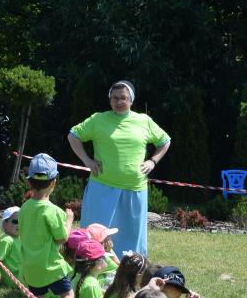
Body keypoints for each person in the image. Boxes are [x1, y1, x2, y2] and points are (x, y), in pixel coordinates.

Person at [67, 79, 170, 258]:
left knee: (132, 239)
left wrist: (153, 161)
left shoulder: (144, 121)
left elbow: (165, 141)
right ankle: (92, 266)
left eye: (123, 97)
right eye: (114, 98)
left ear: (131, 100)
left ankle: (130, 269)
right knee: (95, 235)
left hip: (134, 189)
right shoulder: (98, 119)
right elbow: (73, 136)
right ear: (110, 100)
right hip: (101, 188)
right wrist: (87, 160)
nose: (119, 101)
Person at [19, 153, 82, 298]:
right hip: (51, 265)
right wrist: (69, 220)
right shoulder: (52, 210)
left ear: (29, 182)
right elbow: (62, 238)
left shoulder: (24, 208)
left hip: (31, 265)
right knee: (67, 294)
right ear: (53, 182)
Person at [83, 222, 120, 287]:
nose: (110, 238)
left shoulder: (97, 252)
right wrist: (109, 250)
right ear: (101, 241)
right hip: (103, 286)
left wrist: (109, 250)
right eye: (107, 237)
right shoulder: (102, 257)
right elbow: (119, 266)